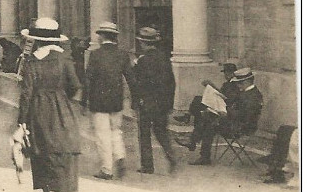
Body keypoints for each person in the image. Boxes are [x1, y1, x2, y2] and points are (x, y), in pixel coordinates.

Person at [16, 18, 81, 192]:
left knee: (40, 150)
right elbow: (75, 85)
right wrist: (61, 97)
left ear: (36, 40)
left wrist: (22, 121)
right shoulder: (65, 59)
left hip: (39, 109)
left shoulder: (32, 61)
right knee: (61, 149)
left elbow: (26, 93)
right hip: (62, 108)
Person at [177, 67, 264, 165]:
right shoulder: (246, 93)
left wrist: (226, 113)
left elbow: (246, 117)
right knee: (208, 116)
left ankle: (199, 150)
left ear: (248, 81)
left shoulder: (254, 96)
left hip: (242, 127)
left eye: (240, 83)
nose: (238, 85)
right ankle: (197, 147)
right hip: (234, 122)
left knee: (210, 121)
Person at [85, 22, 133, 180]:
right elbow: (130, 78)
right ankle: (119, 156)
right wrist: (135, 97)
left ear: (102, 36)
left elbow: (88, 79)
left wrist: (83, 100)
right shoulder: (123, 54)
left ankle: (107, 169)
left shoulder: (95, 54)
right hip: (116, 100)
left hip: (98, 100)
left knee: (102, 134)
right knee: (116, 131)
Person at [129, 27, 177, 175]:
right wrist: (169, 103)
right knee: (161, 131)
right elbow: (171, 82)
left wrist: (136, 102)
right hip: (162, 103)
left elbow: (138, 84)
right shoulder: (164, 58)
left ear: (143, 43)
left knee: (144, 134)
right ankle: (171, 155)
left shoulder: (142, 61)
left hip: (146, 103)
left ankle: (148, 166)